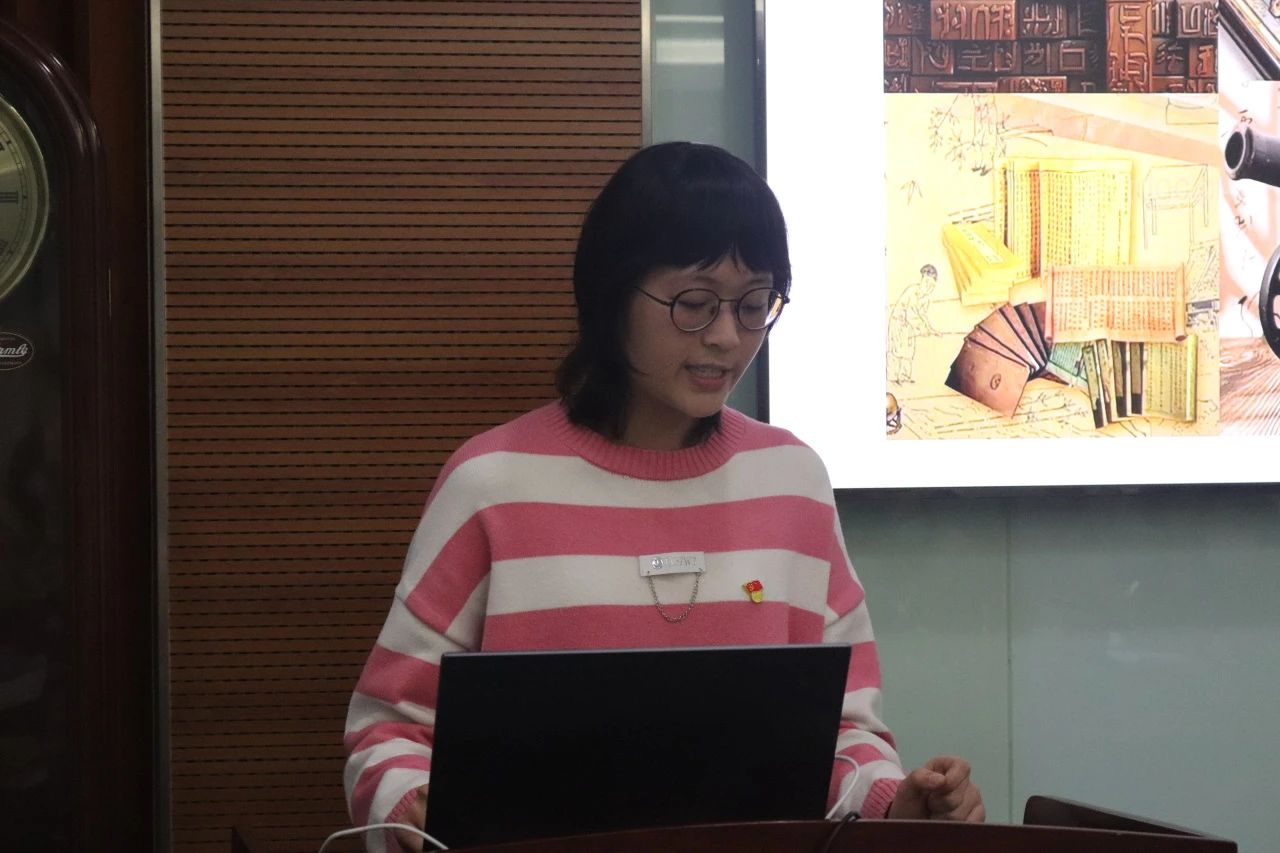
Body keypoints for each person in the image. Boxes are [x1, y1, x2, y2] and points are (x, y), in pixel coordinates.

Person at [343, 142, 984, 852]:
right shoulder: (492, 483)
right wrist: (410, 802)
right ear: (613, 294)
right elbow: (388, 727)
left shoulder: (792, 481)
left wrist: (895, 804)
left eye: (754, 305)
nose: (726, 338)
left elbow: (844, 734)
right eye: (694, 304)